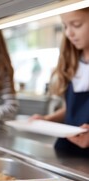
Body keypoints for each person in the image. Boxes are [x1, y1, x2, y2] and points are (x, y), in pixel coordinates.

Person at [32, 8, 89, 155]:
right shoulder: (72, 63)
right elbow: (70, 109)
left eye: (76, 25)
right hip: (68, 152)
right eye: (65, 26)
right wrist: (46, 119)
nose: (69, 33)